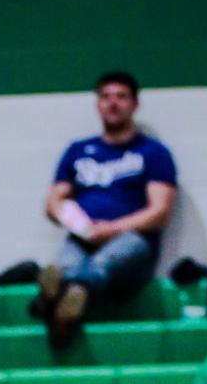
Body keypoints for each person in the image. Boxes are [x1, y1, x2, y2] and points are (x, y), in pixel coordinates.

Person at [38, 72, 177, 347]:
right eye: (106, 97)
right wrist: (80, 225)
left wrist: (111, 229)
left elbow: (159, 211)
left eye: (121, 97)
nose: (113, 103)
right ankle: (61, 299)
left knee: (103, 264)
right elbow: (52, 203)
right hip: (83, 236)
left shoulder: (153, 152)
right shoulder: (78, 150)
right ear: (97, 104)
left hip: (134, 240)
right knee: (63, 266)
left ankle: (62, 299)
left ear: (135, 104)